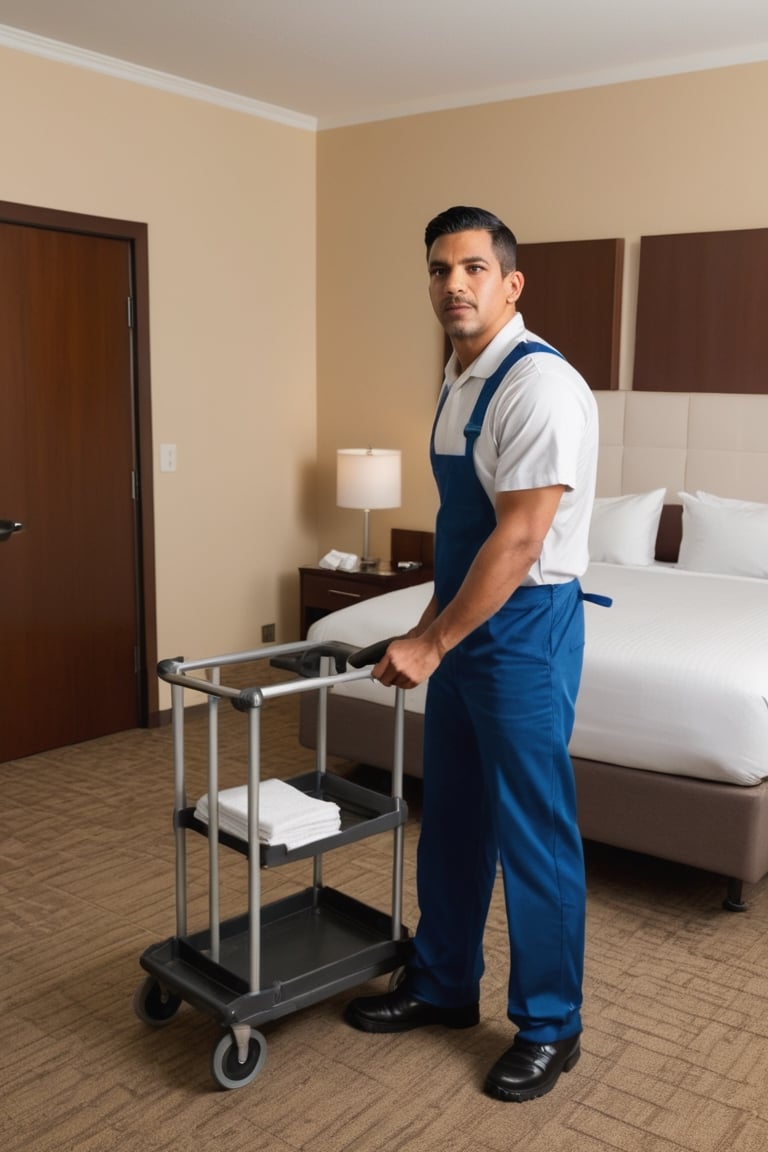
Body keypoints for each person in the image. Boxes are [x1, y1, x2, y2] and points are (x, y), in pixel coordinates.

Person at [343, 206, 601, 1103]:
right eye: (439, 269)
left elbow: (522, 538)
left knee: (534, 832)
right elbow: (463, 531)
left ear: (510, 283)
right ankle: (445, 984)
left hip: (524, 633)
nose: (453, 284)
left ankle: (550, 1024)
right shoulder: (458, 378)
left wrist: (432, 640)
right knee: (450, 813)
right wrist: (423, 625)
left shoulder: (540, 388)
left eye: (474, 268)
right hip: (462, 625)